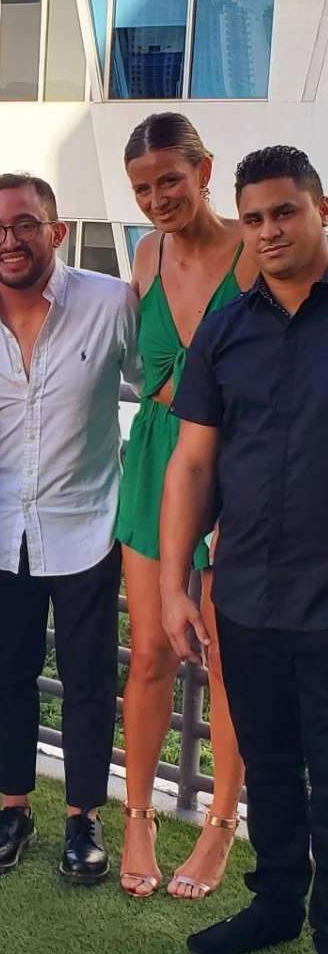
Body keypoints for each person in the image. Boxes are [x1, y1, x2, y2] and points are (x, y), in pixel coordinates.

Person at [0, 172, 139, 884]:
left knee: (88, 682)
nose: (8, 239)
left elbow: (160, 393)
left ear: (55, 231)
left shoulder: (112, 303)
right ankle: (13, 807)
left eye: (24, 224)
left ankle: (83, 817)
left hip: (89, 526)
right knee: (6, 678)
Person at [161, 145, 328, 954]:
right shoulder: (226, 330)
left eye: (284, 212)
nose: (268, 231)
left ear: (320, 210)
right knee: (268, 764)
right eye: (254, 217)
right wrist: (172, 586)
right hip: (251, 596)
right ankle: (275, 907)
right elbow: (193, 464)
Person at [116, 113, 255, 900]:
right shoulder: (145, 254)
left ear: (205, 170)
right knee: (149, 654)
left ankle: (219, 826)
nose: (159, 197)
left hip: (243, 469)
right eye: (143, 187)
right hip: (158, 463)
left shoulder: (255, 246)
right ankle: (137, 815)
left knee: (232, 662)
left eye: (171, 178)